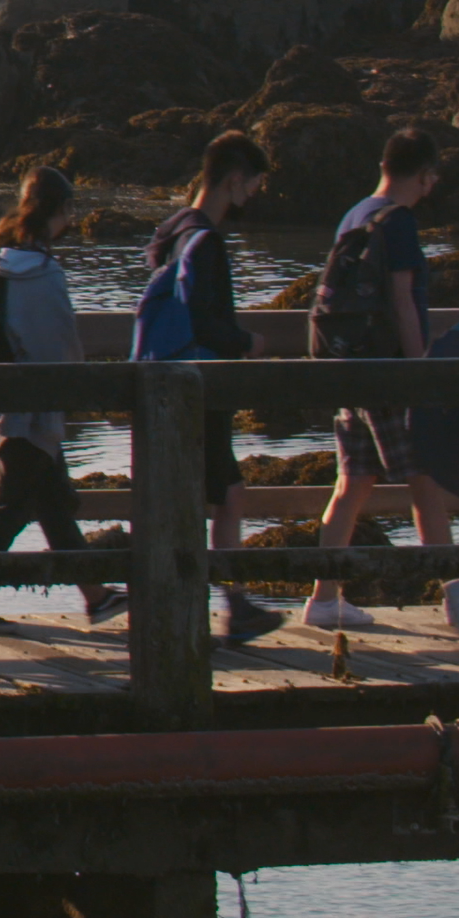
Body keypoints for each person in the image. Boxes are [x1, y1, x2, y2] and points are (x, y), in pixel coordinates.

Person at [0, 169, 124, 633]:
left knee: (51, 502)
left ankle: (96, 595)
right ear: (61, 211)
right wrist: (80, 394)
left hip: (4, 405)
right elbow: (59, 348)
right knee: (5, 513)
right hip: (32, 411)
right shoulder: (42, 272)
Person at [308, 129, 451, 630]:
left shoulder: (356, 214)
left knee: (352, 484)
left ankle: (324, 598)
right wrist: (420, 373)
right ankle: (458, 597)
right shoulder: (399, 222)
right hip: (389, 371)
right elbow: (402, 300)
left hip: (350, 367)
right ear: (426, 175)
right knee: (426, 480)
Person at [142, 129, 280, 646]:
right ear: (234, 180)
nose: (252, 196)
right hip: (201, 386)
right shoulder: (208, 242)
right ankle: (229, 605)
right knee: (225, 495)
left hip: (166, 385)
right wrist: (250, 341)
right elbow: (207, 322)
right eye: (253, 186)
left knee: (202, 496)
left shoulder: (173, 230)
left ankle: (209, 602)